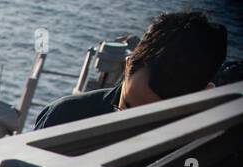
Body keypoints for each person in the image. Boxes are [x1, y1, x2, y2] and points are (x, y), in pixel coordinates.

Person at [33, 11, 226, 129]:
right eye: (127, 109)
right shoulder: (63, 118)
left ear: (205, 96)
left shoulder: (217, 160)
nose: (134, 129)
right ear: (128, 65)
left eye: (156, 120)